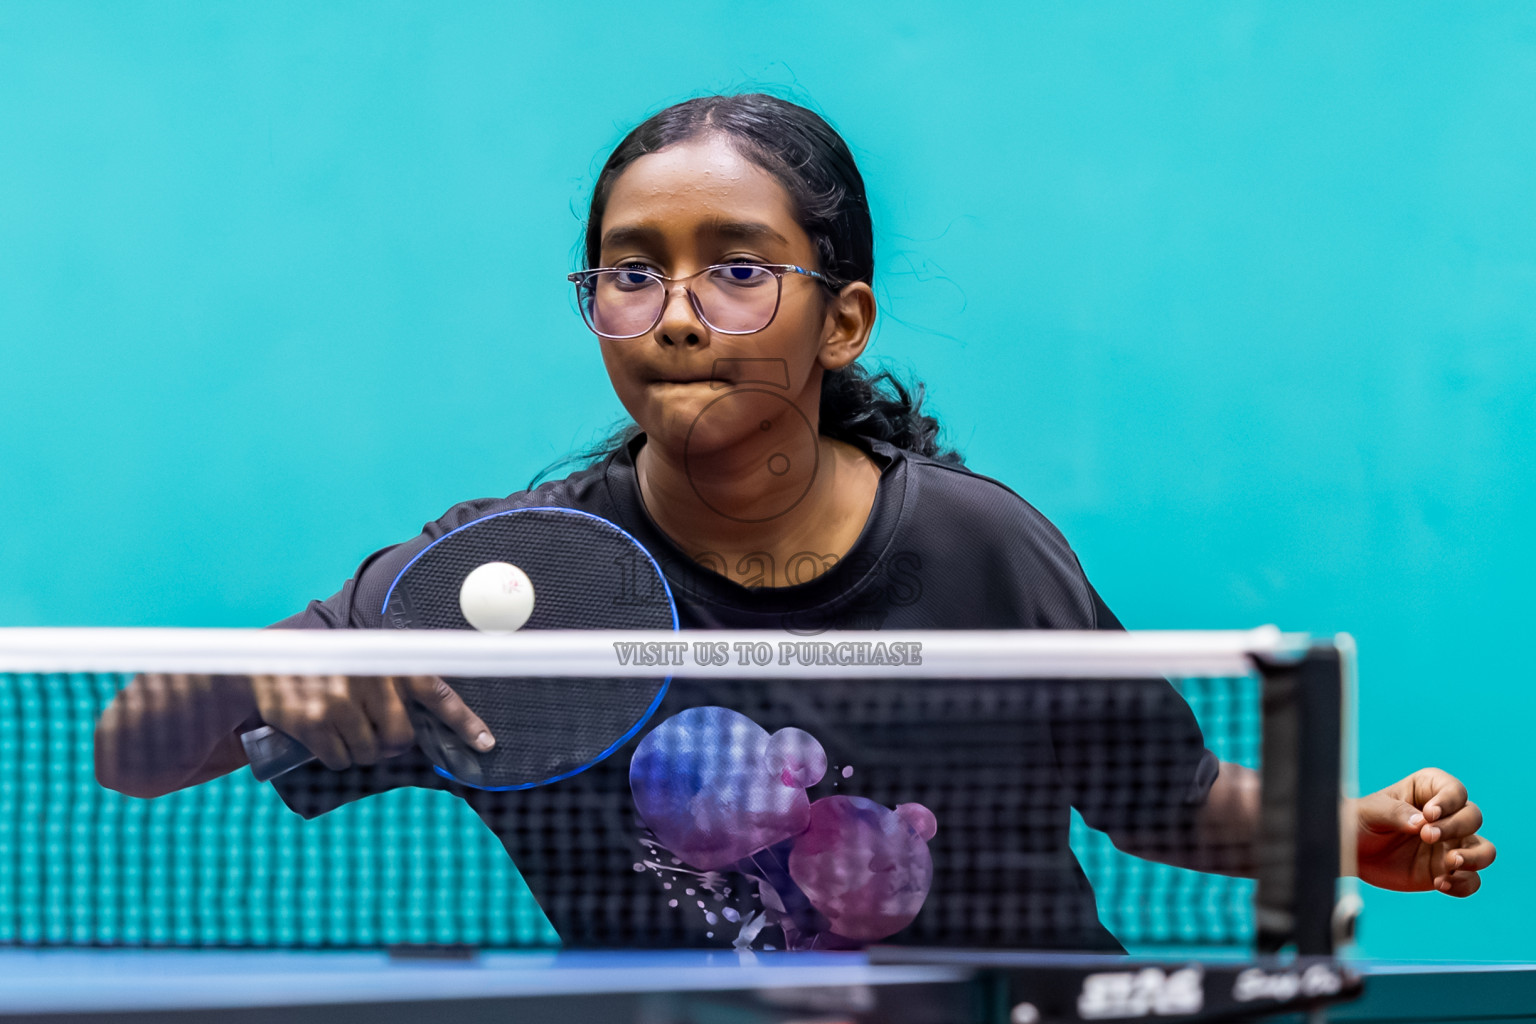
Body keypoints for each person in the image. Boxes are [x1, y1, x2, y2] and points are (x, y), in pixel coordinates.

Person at [95, 93, 1493, 950]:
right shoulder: (500, 574)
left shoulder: (982, 548)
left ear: (845, 320)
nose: (681, 313)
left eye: (740, 269)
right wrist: (257, 674)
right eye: (630, 277)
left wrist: (1334, 832)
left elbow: (1168, 801)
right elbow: (124, 755)